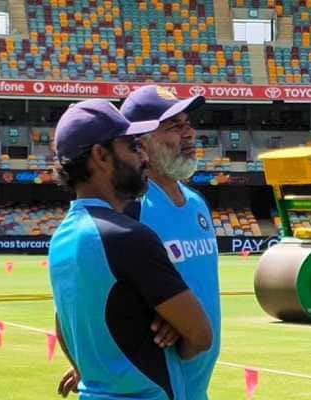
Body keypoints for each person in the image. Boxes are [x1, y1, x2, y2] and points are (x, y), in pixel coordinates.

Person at [49, 99, 213, 399]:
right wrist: (179, 329)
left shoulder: (63, 236)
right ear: (101, 155)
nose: (143, 158)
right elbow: (200, 336)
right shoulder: (128, 236)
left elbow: (67, 325)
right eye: (131, 147)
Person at [120, 85, 221, 400]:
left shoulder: (197, 202)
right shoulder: (130, 209)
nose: (189, 134)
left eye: (188, 123)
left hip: (196, 390)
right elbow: (79, 297)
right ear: (141, 142)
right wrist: (90, 362)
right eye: (174, 126)